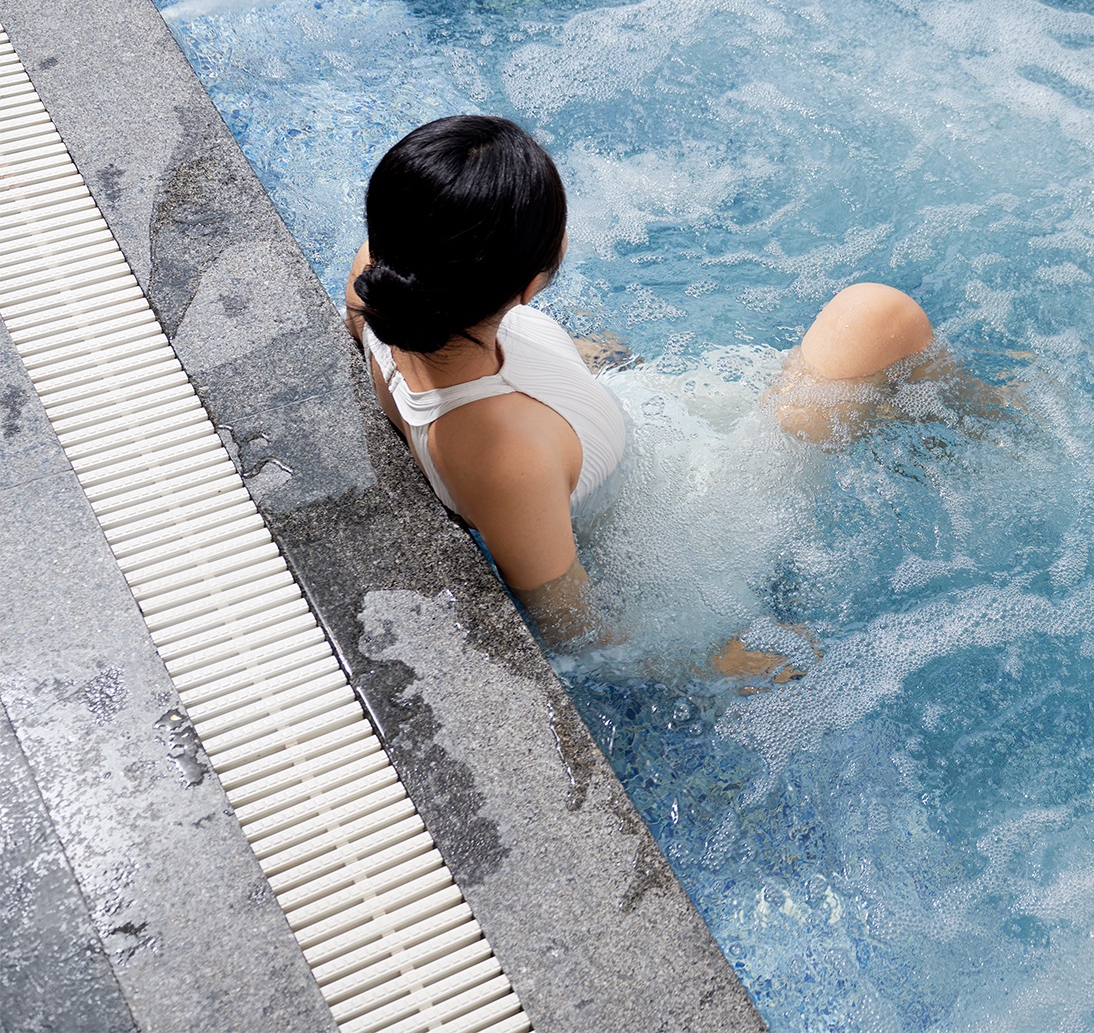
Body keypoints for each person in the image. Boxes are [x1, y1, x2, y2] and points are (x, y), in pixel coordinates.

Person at [342, 113, 941, 652]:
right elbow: (573, 627)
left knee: (846, 364)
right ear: (528, 285)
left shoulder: (381, 275)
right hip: (690, 517)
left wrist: (562, 358)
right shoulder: (508, 455)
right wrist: (713, 663)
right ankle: (998, 431)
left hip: (639, 422)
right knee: (877, 317)